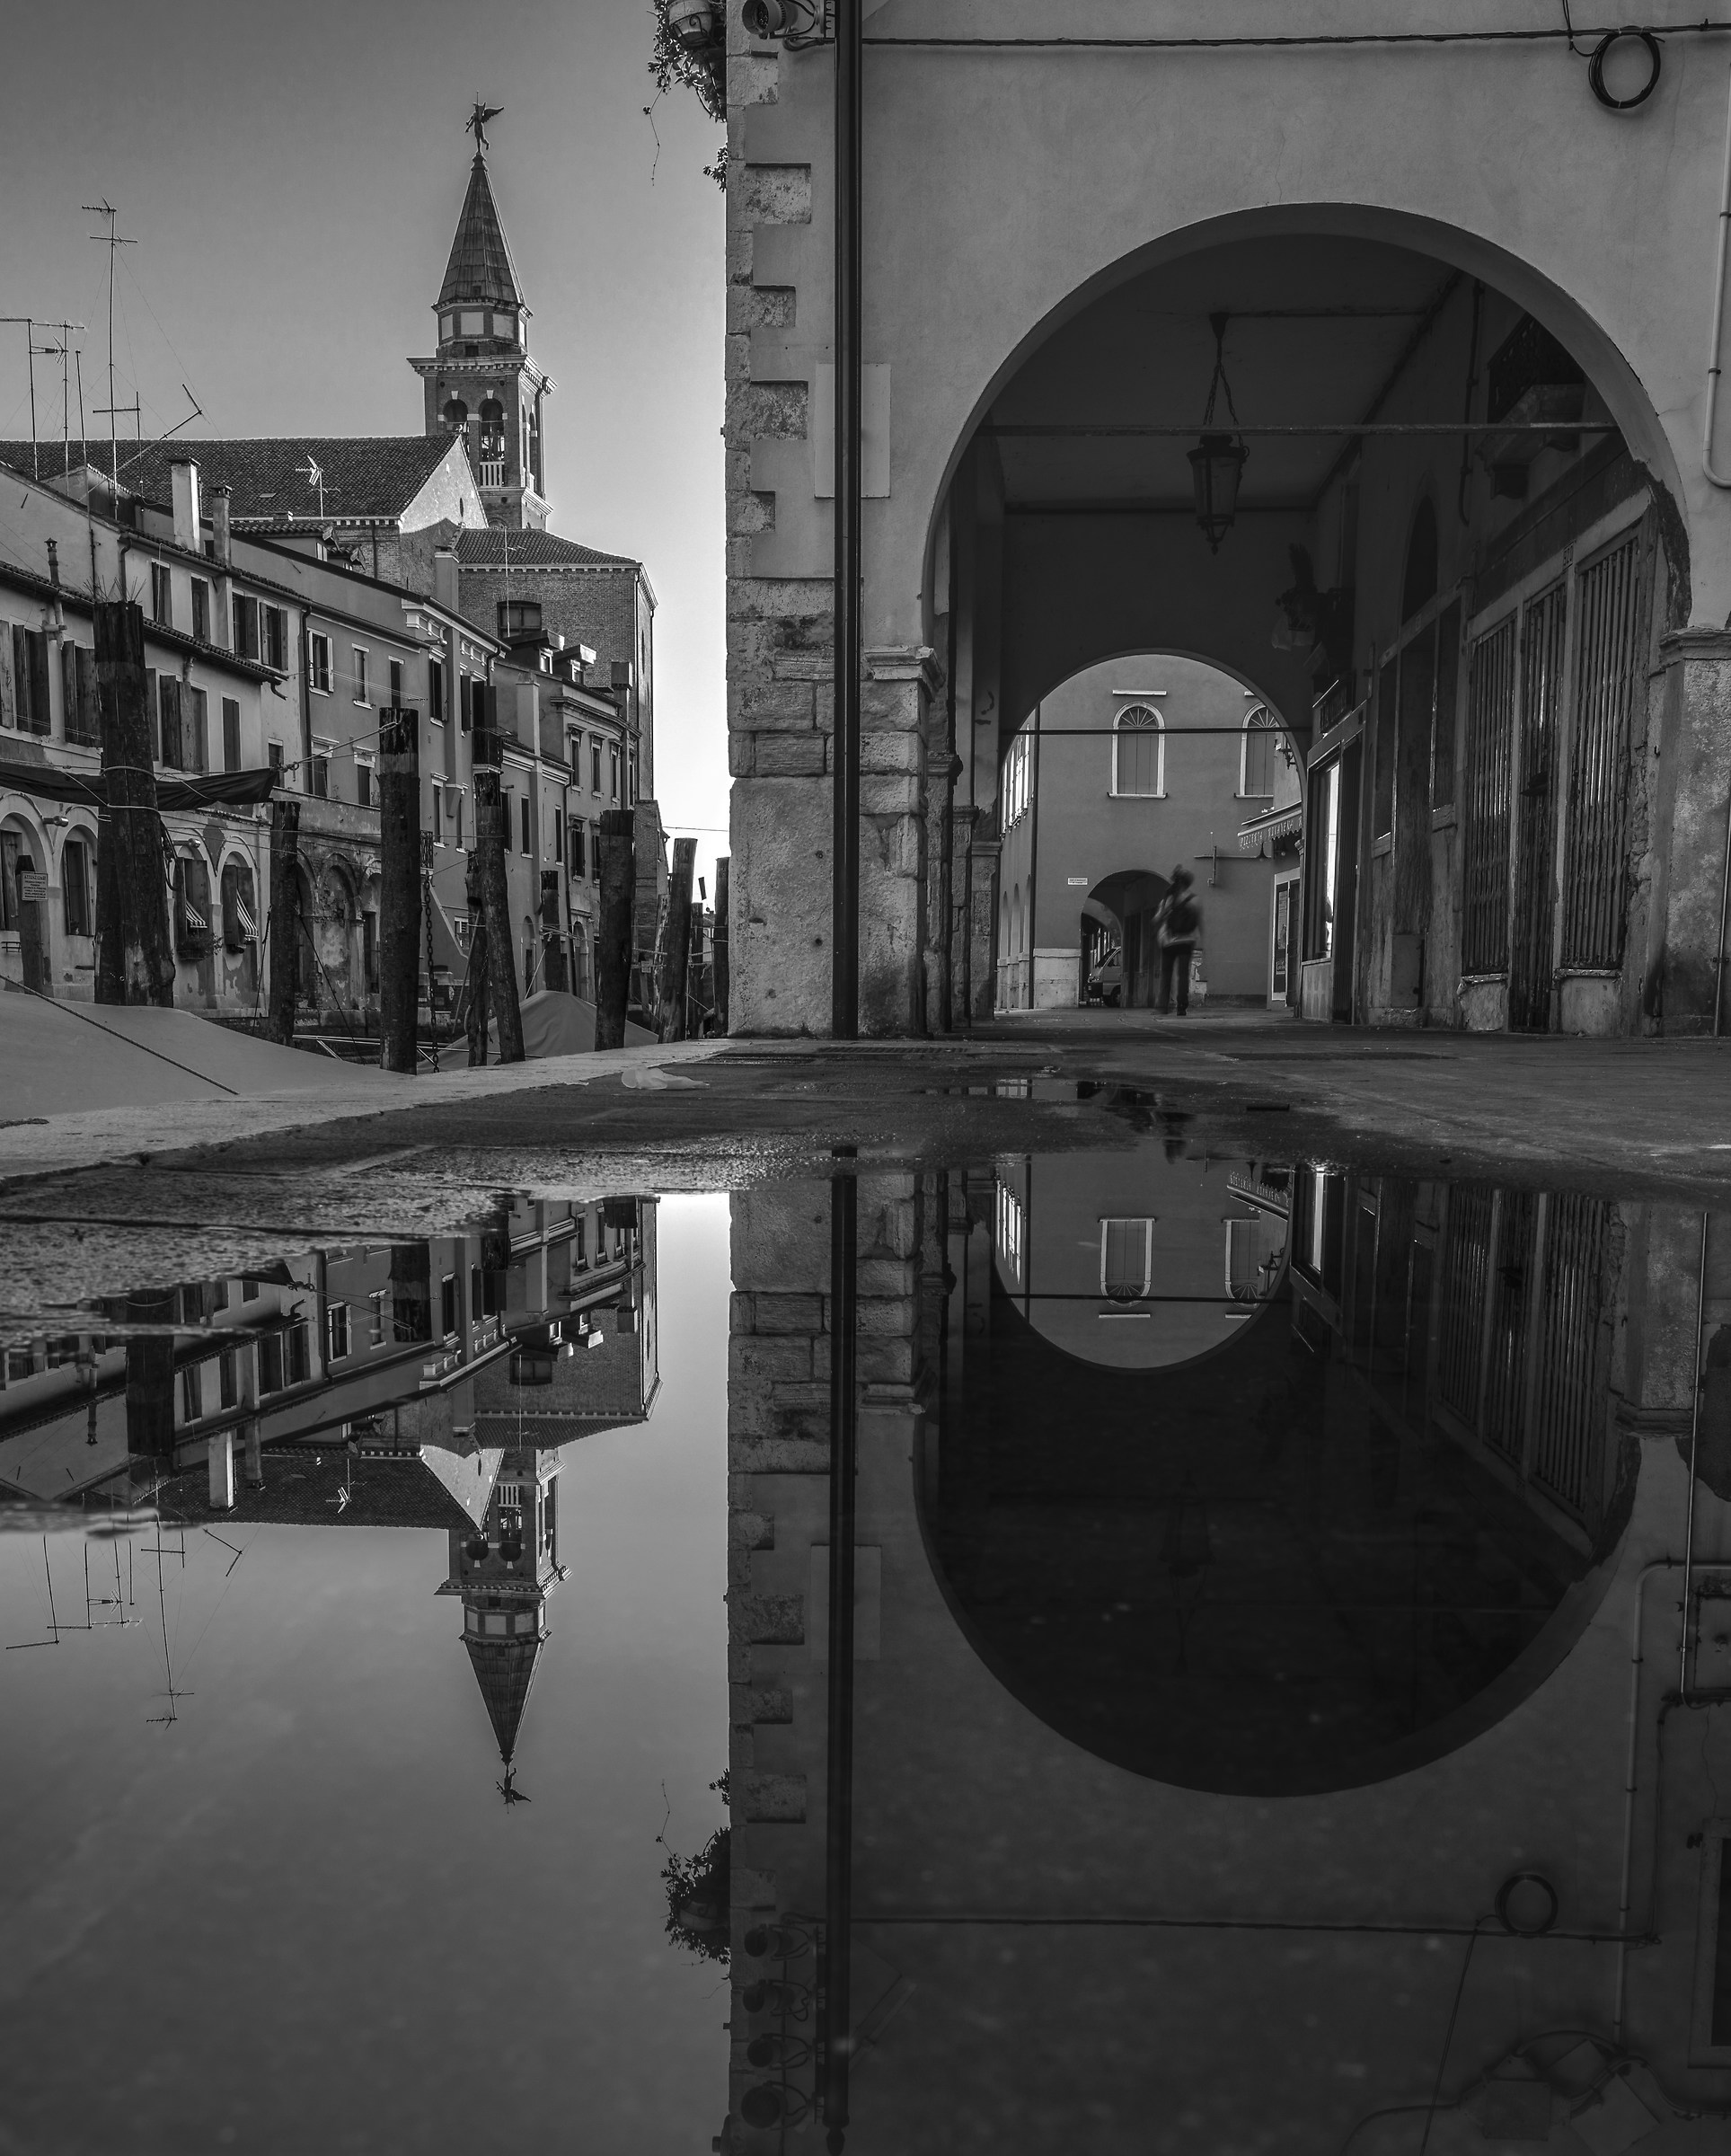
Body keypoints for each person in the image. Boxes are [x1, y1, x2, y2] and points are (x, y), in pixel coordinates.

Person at [1155, 866, 1201, 1015]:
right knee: (1183, 975)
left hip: (1168, 941)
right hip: (1187, 941)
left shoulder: (1168, 899)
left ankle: (1163, 1006)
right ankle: (1181, 1006)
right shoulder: (1194, 900)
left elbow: (1157, 918)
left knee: (1166, 974)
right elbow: (1198, 922)